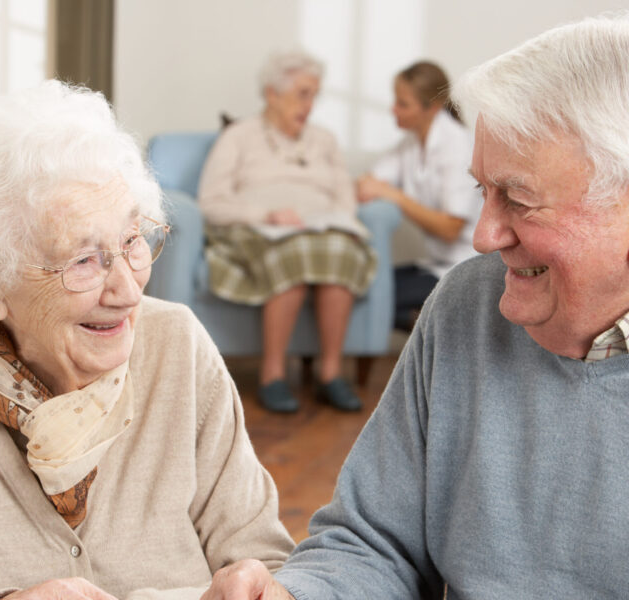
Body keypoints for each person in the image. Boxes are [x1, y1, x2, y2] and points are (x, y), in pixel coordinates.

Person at [200, 12, 629, 599]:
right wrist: (297, 595)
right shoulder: (467, 303)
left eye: (520, 199)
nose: (483, 236)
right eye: (484, 191)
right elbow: (377, 542)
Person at [0, 80, 294, 600]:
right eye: (84, 260)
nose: (129, 291)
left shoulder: (177, 346)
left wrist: (266, 587)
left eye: (132, 242)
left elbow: (265, 558)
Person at [198, 50, 377, 413]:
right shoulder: (238, 136)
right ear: (272, 94)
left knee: (340, 250)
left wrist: (344, 223)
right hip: (260, 227)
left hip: (320, 228)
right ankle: (273, 375)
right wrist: (267, 214)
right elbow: (211, 202)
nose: (310, 105)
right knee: (292, 253)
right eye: (302, 93)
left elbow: (345, 198)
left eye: (315, 94)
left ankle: (330, 374)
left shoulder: (324, 140)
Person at [357, 61, 481, 331]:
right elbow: (369, 183)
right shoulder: (411, 142)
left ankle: (431, 329)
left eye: (403, 103)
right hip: (436, 264)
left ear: (432, 107)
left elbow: (450, 228)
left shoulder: (457, 146)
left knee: (374, 299)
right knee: (361, 285)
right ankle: (428, 327)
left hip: (467, 266)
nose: (393, 109)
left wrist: (395, 196)